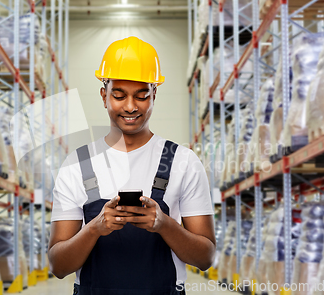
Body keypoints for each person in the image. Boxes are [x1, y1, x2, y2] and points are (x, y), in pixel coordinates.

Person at [48, 36, 216, 295]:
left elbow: (205, 258)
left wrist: (165, 224)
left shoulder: (184, 162)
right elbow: (59, 265)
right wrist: (95, 227)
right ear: (104, 96)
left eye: (141, 96)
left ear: (154, 95)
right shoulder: (77, 165)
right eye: (118, 95)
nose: (130, 106)